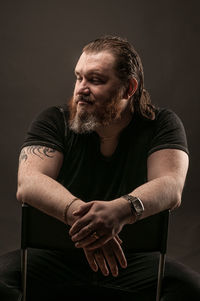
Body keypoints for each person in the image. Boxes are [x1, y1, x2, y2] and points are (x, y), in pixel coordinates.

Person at [0, 35, 200, 300]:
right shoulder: (53, 120)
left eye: (95, 80)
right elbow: (29, 182)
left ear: (129, 88)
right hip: (56, 258)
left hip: (130, 261)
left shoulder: (162, 124)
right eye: (78, 77)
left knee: (192, 290)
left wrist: (120, 211)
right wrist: (87, 223)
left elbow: (171, 186)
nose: (81, 88)